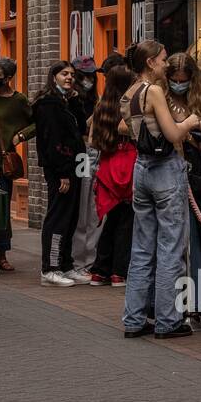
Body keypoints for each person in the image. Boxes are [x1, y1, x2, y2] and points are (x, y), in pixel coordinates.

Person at [120, 40, 201, 340]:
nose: (165, 64)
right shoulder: (154, 91)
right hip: (165, 169)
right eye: (162, 59)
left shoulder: (129, 93)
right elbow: (174, 132)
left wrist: (192, 121)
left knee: (141, 248)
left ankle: (134, 319)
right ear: (150, 62)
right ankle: (168, 320)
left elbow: (131, 128)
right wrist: (191, 121)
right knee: (171, 248)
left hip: (141, 169)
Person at [165, 53, 201, 318]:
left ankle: (199, 299)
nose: (179, 84)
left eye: (184, 80)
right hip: (171, 172)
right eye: (175, 80)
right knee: (178, 240)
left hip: (198, 175)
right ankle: (179, 300)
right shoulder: (159, 98)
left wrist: (186, 133)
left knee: (200, 239)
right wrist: (187, 131)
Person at [32, 62, 89, 287]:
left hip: (75, 165)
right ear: (53, 76)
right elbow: (53, 140)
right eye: (64, 74)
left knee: (71, 216)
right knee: (58, 216)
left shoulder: (67, 101)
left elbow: (81, 128)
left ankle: (66, 264)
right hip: (60, 169)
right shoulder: (48, 104)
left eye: (72, 75)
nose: (69, 78)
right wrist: (63, 172)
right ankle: (51, 268)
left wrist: (75, 100)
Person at [0, 58, 35, 273]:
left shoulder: (18, 100)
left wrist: (21, 135)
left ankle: (2, 254)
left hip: (4, 161)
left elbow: (36, 122)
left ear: (9, 78)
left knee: (1, 209)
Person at [88, 64, 136, 286]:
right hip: (128, 162)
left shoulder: (102, 107)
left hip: (108, 165)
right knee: (126, 222)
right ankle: (119, 271)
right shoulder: (130, 106)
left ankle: (100, 270)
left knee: (111, 220)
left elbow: (91, 139)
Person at [67, 54, 103, 278]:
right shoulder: (72, 100)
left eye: (92, 75)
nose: (89, 80)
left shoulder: (95, 99)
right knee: (81, 209)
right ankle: (80, 262)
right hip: (81, 155)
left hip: (95, 153)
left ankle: (89, 261)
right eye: (85, 75)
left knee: (93, 210)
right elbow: (78, 129)